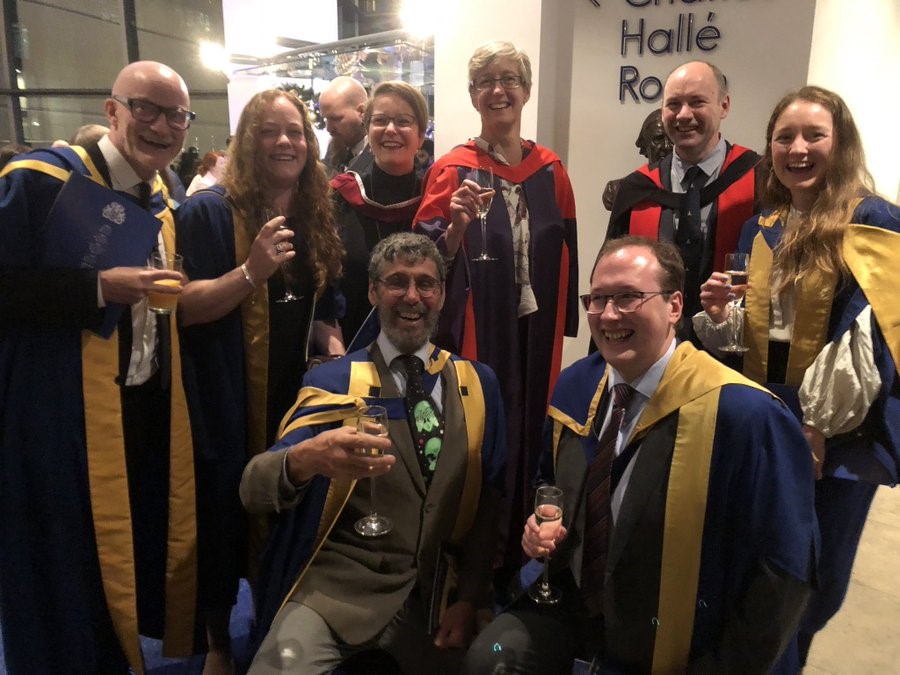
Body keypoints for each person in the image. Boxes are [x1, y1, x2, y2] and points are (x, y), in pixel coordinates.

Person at [463, 236, 817, 674]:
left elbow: (784, 569)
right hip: (571, 605)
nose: (609, 314)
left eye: (629, 297)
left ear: (674, 306)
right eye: (598, 299)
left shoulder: (744, 415)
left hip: (678, 633)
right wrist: (541, 524)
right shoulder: (576, 385)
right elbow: (547, 481)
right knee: (489, 660)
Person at [0, 61, 199, 673]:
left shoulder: (163, 200)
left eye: (176, 116)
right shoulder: (39, 182)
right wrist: (93, 288)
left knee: (124, 558)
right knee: (64, 563)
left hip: (137, 407)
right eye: (146, 108)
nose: (162, 126)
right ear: (112, 110)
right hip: (55, 414)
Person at [693, 86, 900, 666]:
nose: (798, 148)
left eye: (814, 135)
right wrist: (721, 317)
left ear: (842, 143)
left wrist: (816, 425)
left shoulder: (873, 221)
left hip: (834, 432)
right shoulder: (764, 225)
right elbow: (768, 330)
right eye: (784, 137)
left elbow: (871, 334)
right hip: (767, 412)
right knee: (761, 565)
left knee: (813, 579)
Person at [241, 232, 506, 673]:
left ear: (441, 295)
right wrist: (305, 460)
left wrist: (468, 600)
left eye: (425, 284)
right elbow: (254, 488)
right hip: (338, 589)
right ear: (372, 291)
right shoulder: (332, 382)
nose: (411, 296)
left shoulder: (478, 384)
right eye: (396, 282)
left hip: (435, 597)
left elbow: (489, 505)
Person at [176, 88, 345, 672]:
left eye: (295, 131)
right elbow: (183, 307)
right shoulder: (208, 212)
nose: (284, 142)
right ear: (247, 140)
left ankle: (278, 617)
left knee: (289, 511)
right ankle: (219, 641)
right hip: (225, 395)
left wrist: (335, 353)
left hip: (292, 399)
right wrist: (251, 271)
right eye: (269, 131)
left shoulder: (315, 213)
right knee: (222, 519)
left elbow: (326, 309)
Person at [415, 41, 578, 576]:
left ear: (526, 91)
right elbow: (423, 263)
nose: (498, 89)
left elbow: (567, 246)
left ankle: (519, 557)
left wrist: (567, 324)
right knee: (484, 430)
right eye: (485, 80)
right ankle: (471, 570)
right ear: (472, 95)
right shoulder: (452, 169)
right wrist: (457, 226)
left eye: (509, 79)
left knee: (533, 421)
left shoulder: (551, 170)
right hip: (478, 325)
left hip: (536, 329)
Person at [607, 61, 762, 344]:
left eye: (697, 102)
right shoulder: (637, 189)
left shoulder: (760, 180)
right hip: (649, 347)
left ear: (724, 106)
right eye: (673, 104)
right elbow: (612, 280)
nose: (684, 115)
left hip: (733, 350)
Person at [332, 80, 428, 346]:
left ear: (420, 135)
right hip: (354, 346)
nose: (390, 130)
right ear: (368, 129)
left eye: (403, 121)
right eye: (381, 120)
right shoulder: (339, 197)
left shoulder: (433, 199)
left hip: (422, 346)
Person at [602, 108, 672, 211]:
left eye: (672, 138)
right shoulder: (619, 189)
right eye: (658, 139)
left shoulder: (693, 189)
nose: (667, 146)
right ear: (645, 145)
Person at [319, 75, 372, 176]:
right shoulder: (334, 148)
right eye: (325, 119)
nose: (329, 129)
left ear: (362, 111)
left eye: (335, 118)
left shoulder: (381, 153)